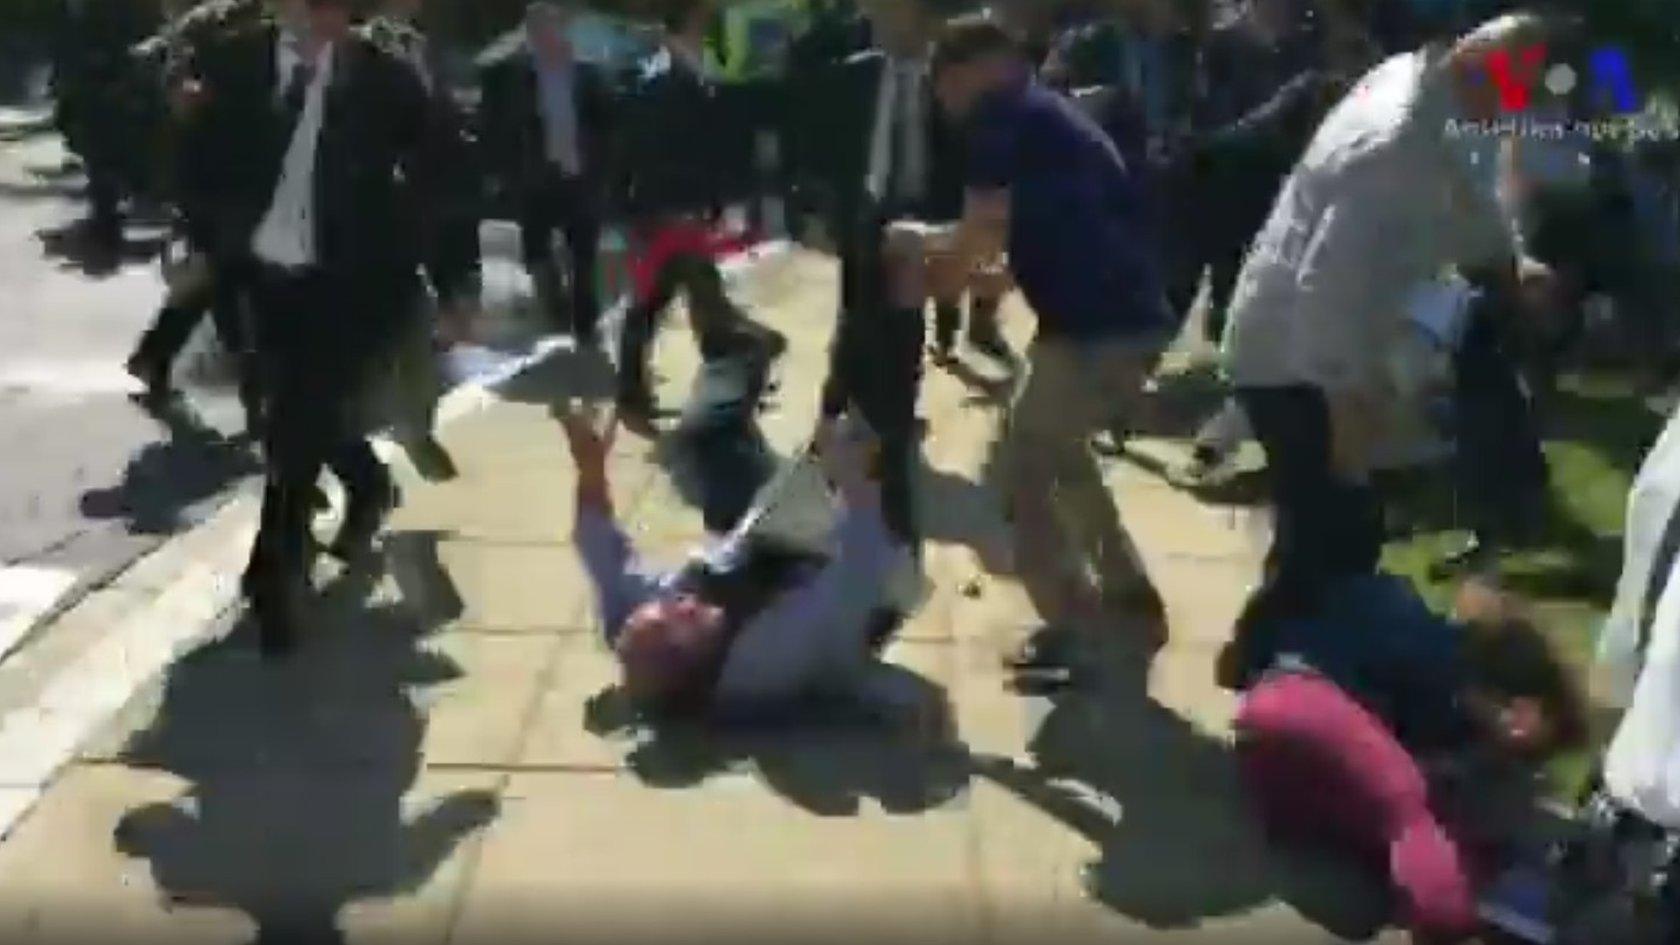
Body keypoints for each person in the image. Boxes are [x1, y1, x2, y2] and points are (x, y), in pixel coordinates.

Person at [1215, 13, 1562, 688]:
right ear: (1472, 69)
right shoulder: (1394, 142)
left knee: (1326, 528)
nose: (1515, 115)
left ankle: (1269, 665)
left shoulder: (1432, 92)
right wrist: (1343, 402)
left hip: (1323, 341)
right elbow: (1326, 283)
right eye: (1513, 96)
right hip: (1296, 354)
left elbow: (1469, 197)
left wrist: (1510, 263)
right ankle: (1281, 676)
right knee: (1334, 528)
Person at [182, 0, 436, 654]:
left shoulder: (385, 78)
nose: (316, 17)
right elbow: (196, 155)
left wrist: (452, 277)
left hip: (347, 283)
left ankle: (274, 568)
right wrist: (195, 241)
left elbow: (441, 167)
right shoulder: (232, 60)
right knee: (282, 414)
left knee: (300, 415)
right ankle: (367, 482)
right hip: (260, 279)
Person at [931, 15, 1174, 674]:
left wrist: (931, 274)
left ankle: (1073, 627)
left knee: (1021, 475)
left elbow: (982, 221)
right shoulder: (1049, 114)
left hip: (1093, 327)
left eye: (942, 86)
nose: (943, 105)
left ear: (970, 69)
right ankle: (1126, 593)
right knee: (1062, 456)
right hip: (1119, 314)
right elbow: (1065, 219)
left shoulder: (999, 116)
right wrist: (1006, 268)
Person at [1234, 573, 1588, 944]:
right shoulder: (1444, 679)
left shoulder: (1419, 631)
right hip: (1306, 705)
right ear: (1521, 716)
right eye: (1526, 757)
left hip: (1274, 712)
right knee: (1414, 820)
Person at [567, 403, 915, 717]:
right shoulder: (772, 655)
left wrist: (590, 467)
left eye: (666, 607)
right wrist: (857, 480)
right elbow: (859, 573)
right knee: (875, 428)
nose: (681, 603)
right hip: (868, 576)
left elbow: (601, 551)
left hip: (773, 542)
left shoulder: (662, 623)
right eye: (678, 621)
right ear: (697, 672)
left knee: (708, 439)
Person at [813, 0, 966, 556]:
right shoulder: (855, 75)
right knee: (855, 318)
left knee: (898, 337)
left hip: (921, 227)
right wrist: (827, 216)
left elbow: (963, 160)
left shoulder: (950, 85)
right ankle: (844, 420)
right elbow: (827, 150)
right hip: (863, 221)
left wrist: (953, 237)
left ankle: (886, 454)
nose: (882, 20)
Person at [615, 0, 787, 427]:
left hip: (685, 212)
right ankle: (722, 387)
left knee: (660, 303)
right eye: (702, 25)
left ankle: (639, 394)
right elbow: (646, 154)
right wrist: (664, 210)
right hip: (668, 213)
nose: (708, 33)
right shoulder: (659, 83)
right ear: (683, 29)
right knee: (687, 303)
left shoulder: (692, 76)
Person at [124, 0, 272, 436]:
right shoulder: (237, 37)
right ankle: (256, 398)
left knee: (218, 283)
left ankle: (154, 359)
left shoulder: (224, 32)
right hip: (229, 181)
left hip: (223, 180)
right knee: (240, 287)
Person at [361, 0, 478, 482]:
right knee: (398, 324)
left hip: (434, 202)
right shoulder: (362, 53)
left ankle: (412, 423)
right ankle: (397, 429)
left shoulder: (423, 48)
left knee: (436, 319)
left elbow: (434, 122)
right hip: (382, 213)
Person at [480, 1, 613, 346]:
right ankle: (555, 307)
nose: (546, 37)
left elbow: (608, 124)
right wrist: (500, 171)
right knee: (537, 251)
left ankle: (586, 325)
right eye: (538, 31)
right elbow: (497, 128)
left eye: (552, 29)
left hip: (580, 177)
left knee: (583, 255)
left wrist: (604, 165)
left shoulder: (586, 73)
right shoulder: (512, 76)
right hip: (536, 178)